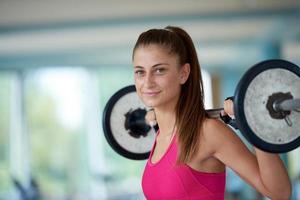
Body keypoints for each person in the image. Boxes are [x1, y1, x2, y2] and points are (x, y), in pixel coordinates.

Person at [132, 26, 291, 200]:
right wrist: (153, 116)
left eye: (159, 70)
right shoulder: (160, 134)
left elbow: (279, 192)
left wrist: (257, 123)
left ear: (183, 73)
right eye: (140, 72)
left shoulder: (207, 132)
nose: (147, 82)